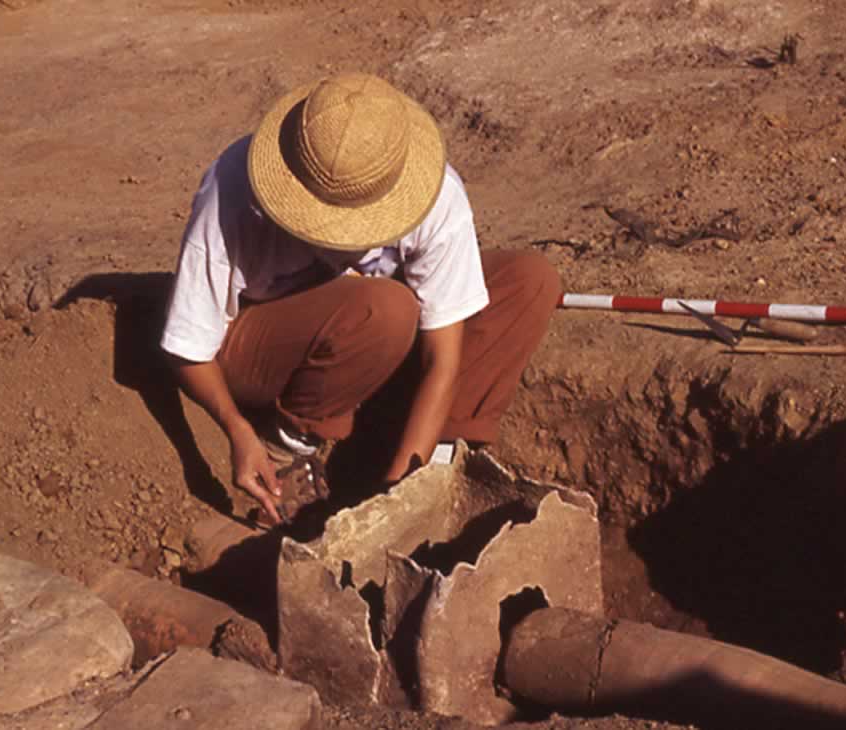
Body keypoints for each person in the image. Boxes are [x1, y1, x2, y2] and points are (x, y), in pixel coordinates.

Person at [160, 72, 560, 526]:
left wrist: (397, 501)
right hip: (256, 346)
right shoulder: (233, 191)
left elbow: (442, 361)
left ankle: (439, 463)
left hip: (361, 331)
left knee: (527, 282)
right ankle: (288, 448)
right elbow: (186, 348)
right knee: (385, 307)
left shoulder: (436, 194)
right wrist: (237, 429)